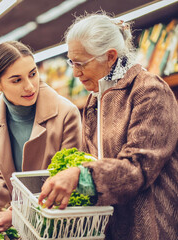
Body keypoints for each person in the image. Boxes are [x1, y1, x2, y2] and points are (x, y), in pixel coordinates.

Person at [38, 13, 178, 240]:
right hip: (109, 227)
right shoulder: (96, 99)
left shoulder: (149, 91)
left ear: (110, 56)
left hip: (149, 228)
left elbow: (138, 168)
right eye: (71, 62)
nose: (75, 72)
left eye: (81, 63)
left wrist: (81, 176)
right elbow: (93, 159)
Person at [0, 41, 82, 231]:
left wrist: (19, 213)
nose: (30, 86)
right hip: (27, 229)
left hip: (61, 225)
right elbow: (3, 180)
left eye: (32, 74)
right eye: (17, 80)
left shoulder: (66, 113)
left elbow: (67, 182)